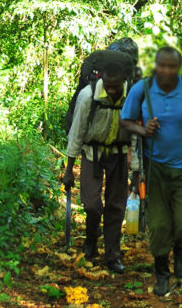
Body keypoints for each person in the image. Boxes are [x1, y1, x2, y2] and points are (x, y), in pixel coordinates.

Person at [120, 46, 182, 295]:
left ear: (178, 68)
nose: (166, 71)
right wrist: (144, 130)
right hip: (154, 167)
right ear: (155, 66)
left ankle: (181, 250)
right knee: (160, 225)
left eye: (171, 66)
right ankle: (161, 273)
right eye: (162, 66)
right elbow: (125, 120)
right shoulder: (142, 89)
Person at [63, 50, 134, 274]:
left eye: (116, 86)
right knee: (92, 204)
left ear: (123, 81)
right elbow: (76, 133)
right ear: (102, 79)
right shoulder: (88, 96)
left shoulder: (131, 97)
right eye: (108, 85)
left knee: (116, 206)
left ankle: (112, 254)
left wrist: (137, 170)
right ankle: (91, 240)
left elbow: (137, 136)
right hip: (92, 154)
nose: (112, 91)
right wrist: (68, 169)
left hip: (119, 155)